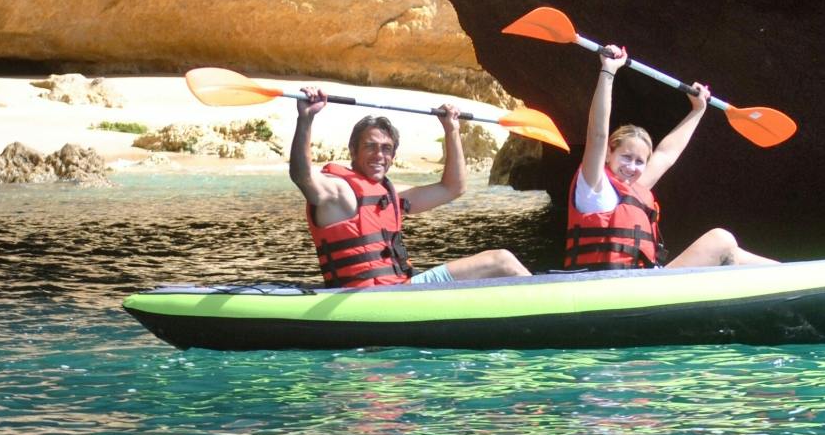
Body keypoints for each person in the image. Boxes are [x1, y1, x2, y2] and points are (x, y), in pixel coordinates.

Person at [288, 88, 529, 287]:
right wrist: (305, 119)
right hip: (368, 298)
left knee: (502, 261)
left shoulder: (391, 194)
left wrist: (451, 130)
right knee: (502, 260)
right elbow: (302, 176)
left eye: (386, 148)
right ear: (353, 151)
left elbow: (453, 188)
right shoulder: (340, 193)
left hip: (404, 288)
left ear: (393, 155)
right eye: (370, 146)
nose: (379, 155)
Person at [567, 44, 776, 269]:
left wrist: (698, 110)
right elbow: (597, 134)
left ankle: (796, 275)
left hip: (640, 282)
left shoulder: (636, 186)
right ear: (609, 153)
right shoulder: (593, 186)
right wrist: (608, 71)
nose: (632, 167)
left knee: (734, 254)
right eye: (626, 157)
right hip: (609, 286)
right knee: (721, 239)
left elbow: (666, 154)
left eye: (640, 161)